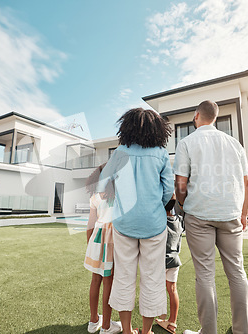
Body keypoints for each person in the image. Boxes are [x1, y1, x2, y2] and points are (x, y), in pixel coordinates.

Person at [173, 100, 248, 334]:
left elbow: (180, 183)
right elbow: (247, 184)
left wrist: (183, 205)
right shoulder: (235, 144)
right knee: (237, 272)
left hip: (199, 214)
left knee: (205, 275)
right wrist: (244, 212)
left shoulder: (186, 142)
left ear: (197, 116)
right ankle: (242, 331)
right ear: (215, 118)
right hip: (230, 214)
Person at [97, 108, 174, 334]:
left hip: (124, 224)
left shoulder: (120, 152)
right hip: (154, 225)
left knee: (124, 278)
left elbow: (103, 183)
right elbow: (169, 190)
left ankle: (128, 330)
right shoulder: (160, 153)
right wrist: (156, 206)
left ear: (127, 127)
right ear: (156, 129)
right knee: (152, 278)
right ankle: (147, 331)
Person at [84, 164, 122, 334]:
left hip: (96, 240)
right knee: (108, 282)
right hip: (112, 239)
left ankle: (93, 322)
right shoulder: (118, 195)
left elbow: (90, 224)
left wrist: (90, 246)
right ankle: (106, 326)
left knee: (95, 280)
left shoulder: (94, 196)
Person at [155, 195, 183, 334]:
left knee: (154, 290)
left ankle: (157, 318)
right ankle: (172, 323)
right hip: (174, 261)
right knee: (172, 290)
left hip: (160, 262)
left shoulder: (159, 221)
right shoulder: (179, 220)